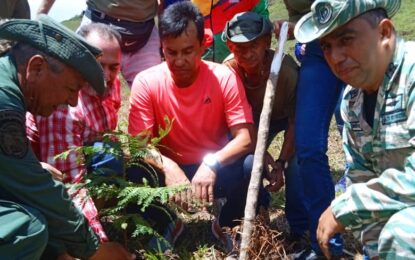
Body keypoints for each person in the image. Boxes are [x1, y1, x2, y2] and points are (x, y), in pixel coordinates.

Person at [0, 15, 133, 259]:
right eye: (71, 89)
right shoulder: (4, 101)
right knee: (26, 228)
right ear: (36, 68)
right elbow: (39, 189)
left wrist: (32, 168)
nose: (73, 101)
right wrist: (95, 249)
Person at [128, 1, 258, 250]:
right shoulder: (146, 82)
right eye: (171, 52)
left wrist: (211, 163)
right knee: (135, 171)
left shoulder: (223, 77)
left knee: (250, 165)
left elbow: (246, 138)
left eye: (187, 51)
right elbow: (139, 146)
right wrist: (169, 167)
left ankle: (227, 223)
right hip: (169, 170)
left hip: (214, 166)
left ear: (203, 45)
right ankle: (165, 223)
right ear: (161, 48)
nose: (179, 60)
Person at [295, 0, 415, 259]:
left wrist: (346, 207)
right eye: (326, 47)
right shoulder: (352, 102)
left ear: (384, 33)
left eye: (346, 40)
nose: (335, 57)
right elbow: (362, 179)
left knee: (402, 233)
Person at [26, 22, 122, 244]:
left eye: (114, 67)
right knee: (108, 154)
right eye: (99, 66)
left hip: (83, 157)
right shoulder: (64, 107)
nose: (106, 76)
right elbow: (69, 183)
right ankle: (72, 236)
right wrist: (98, 246)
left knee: (112, 154)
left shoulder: (111, 84)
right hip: (43, 176)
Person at [273, 1, 345, 258]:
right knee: (308, 148)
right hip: (318, 49)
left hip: (358, 39)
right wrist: (297, 27)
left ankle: (378, 237)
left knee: (363, 141)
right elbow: (301, 13)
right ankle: (326, 245)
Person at [222, 12, 306, 232]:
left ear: (267, 42)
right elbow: (238, 124)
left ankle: (298, 227)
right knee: (250, 162)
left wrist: (280, 162)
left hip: (283, 118)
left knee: (296, 164)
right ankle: (258, 208)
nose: (247, 53)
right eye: (239, 47)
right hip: (249, 125)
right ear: (230, 46)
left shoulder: (287, 72)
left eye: (254, 45)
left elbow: (295, 124)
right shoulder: (229, 71)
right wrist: (263, 155)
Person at [37, 0, 162, 86]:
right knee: (75, 86)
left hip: (144, 31)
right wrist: (40, 15)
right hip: (97, 24)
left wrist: (164, 35)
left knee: (153, 90)